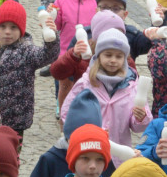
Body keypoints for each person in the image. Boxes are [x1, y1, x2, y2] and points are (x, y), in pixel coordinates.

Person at [61, 30, 150, 159]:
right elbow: (67, 114)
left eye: (119, 56)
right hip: (90, 153)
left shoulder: (132, 87)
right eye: (108, 55)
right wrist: (92, 132)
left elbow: (138, 127)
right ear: (98, 56)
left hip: (118, 156)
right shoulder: (85, 84)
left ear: (125, 59)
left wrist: (141, 118)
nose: (113, 60)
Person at [0, 0, 57, 136]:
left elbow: (47, 55)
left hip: (16, 119)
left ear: (21, 30)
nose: (7, 32)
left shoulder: (26, 51)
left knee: (11, 155)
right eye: (3, 26)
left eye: (13, 27)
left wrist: (50, 39)